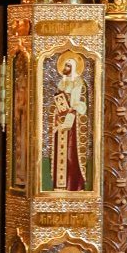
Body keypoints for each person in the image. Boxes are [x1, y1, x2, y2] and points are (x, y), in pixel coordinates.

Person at [51, 59, 85, 191]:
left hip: (72, 121)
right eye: (65, 65)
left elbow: (80, 103)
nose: (66, 68)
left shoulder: (78, 82)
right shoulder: (62, 82)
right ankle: (60, 185)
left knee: (71, 152)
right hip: (60, 118)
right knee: (60, 152)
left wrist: (72, 108)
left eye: (68, 65)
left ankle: (73, 185)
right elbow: (58, 100)